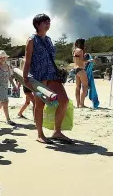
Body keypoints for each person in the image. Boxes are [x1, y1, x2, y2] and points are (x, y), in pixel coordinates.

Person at [23, 13, 73, 144]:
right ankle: (40, 134)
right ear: (37, 24)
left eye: (49, 22)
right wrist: (25, 78)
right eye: (45, 22)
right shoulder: (31, 40)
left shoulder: (49, 39)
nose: (48, 24)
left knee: (64, 101)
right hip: (39, 76)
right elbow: (27, 61)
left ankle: (57, 132)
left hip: (52, 75)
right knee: (39, 105)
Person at [0, 50, 18, 125]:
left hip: (6, 86)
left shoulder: (7, 66)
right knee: (5, 102)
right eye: (0, 58)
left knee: (3, 102)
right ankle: (8, 119)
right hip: (0, 86)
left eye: (4, 57)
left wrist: (14, 85)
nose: (2, 59)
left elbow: (9, 77)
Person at [72, 38, 90, 108]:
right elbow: (82, 61)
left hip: (75, 69)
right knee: (85, 87)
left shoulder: (74, 51)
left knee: (77, 87)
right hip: (81, 69)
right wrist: (89, 60)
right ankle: (82, 104)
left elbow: (77, 60)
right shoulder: (81, 50)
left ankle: (77, 104)